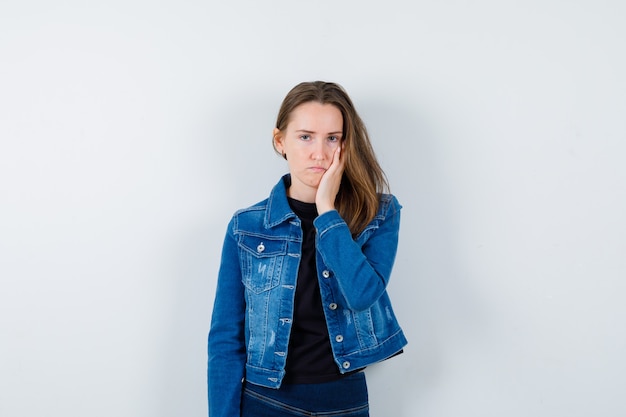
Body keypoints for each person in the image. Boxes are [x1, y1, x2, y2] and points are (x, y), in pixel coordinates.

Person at [207, 81, 407, 417]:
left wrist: (327, 211)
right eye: (305, 136)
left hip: (344, 404)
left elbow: (360, 294)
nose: (320, 152)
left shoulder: (378, 214)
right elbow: (226, 339)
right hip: (266, 401)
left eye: (333, 138)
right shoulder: (247, 227)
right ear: (280, 141)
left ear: (346, 144)